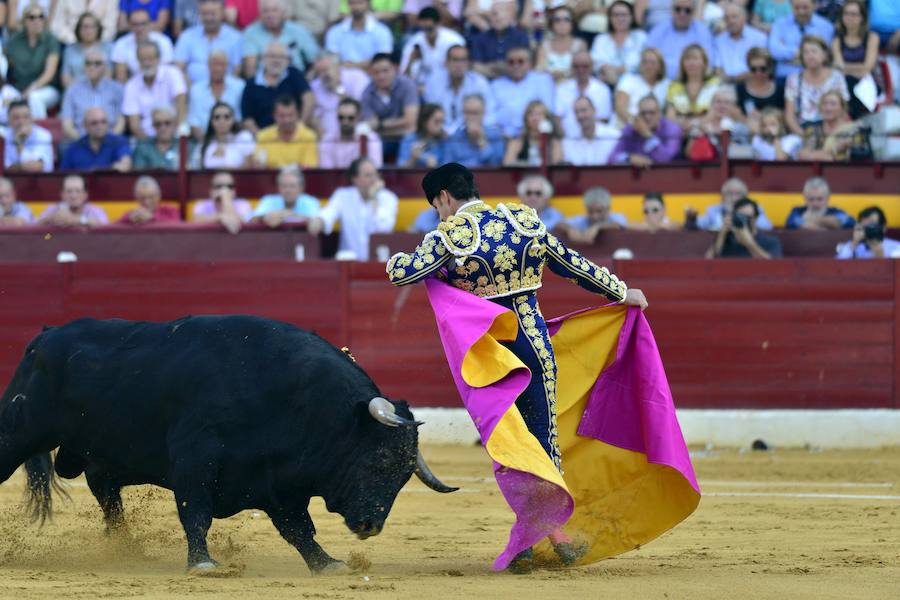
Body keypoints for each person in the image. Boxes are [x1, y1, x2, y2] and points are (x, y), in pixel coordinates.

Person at [385, 163, 648, 572]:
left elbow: (402, 274)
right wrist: (620, 291)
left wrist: (408, 256)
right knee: (543, 441)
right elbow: (571, 265)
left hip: (491, 360)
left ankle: (538, 540)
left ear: (443, 198)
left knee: (512, 446)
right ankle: (550, 536)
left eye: (437, 206)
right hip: (535, 346)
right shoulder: (522, 220)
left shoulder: (450, 235)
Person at [307, 157, 398, 260]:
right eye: (368, 175)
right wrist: (319, 220)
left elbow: (385, 228)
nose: (374, 179)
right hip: (349, 263)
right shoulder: (342, 195)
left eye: (375, 174)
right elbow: (328, 214)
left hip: (378, 263)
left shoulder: (389, 198)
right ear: (355, 179)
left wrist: (373, 199)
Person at [240, 41, 314, 133]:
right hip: (264, 136)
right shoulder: (252, 84)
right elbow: (247, 119)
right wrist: (262, 138)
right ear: (263, 59)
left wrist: (301, 127)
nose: (276, 60)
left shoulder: (294, 74)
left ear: (288, 61)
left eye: (281, 57)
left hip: (295, 132)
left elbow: (308, 98)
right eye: (272, 56)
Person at [422, 44, 495, 135]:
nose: (459, 65)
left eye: (463, 60)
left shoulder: (479, 83)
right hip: (439, 135)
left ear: (468, 63)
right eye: (455, 60)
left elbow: (490, 114)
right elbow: (430, 115)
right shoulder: (433, 82)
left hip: (470, 135)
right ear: (446, 62)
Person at [122, 41, 188, 140]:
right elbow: (134, 125)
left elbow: (182, 108)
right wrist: (152, 146)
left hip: (174, 136)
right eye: (143, 60)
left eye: (150, 59)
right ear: (138, 61)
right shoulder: (131, 85)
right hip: (146, 140)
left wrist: (175, 138)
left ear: (158, 59)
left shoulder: (173, 73)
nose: (147, 63)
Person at [783, 35, 848, 136]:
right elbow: (789, 116)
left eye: (814, 51)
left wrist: (832, 136)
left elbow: (844, 110)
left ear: (824, 55)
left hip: (832, 131)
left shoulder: (837, 77)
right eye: (806, 52)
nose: (810, 56)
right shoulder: (794, 79)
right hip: (804, 130)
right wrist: (803, 135)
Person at [5, 2, 61, 118]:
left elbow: (49, 74)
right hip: (19, 88)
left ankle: (37, 130)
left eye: (41, 17)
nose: (37, 21)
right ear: (24, 21)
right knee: (5, 93)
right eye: (32, 17)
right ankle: (7, 130)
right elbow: (5, 64)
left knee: (34, 97)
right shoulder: (15, 40)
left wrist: (29, 91)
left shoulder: (51, 40)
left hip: (46, 88)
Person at [360, 53, 419, 160]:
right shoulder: (367, 93)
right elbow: (371, 126)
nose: (381, 76)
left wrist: (381, 125)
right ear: (370, 73)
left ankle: (403, 172)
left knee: (409, 137)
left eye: (385, 71)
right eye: (376, 72)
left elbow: (411, 122)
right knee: (369, 142)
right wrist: (401, 125)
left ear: (394, 69)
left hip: (405, 138)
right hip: (382, 139)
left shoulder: (407, 84)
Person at [242, 0, 320, 77]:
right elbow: (250, 68)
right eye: (265, 11)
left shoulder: (298, 31)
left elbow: (316, 60)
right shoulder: (251, 33)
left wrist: (307, 81)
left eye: (274, 10)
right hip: (265, 83)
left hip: (297, 80)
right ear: (260, 14)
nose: (270, 15)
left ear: (283, 13)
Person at [60, 47, 124, 141]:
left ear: (105, 67)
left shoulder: (117, 89)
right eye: (88, 63)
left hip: (110, 140)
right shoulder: (72, 90)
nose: (92, 67)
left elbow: (121, 121)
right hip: (81, 140)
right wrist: (83, 142)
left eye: (97, 63)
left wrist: (110, 140)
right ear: (84, 66)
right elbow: (67, 124)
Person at [491, 46, 555, 139]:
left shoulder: (543, 80)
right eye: (511, 62)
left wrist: (527, 132)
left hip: (536, 136)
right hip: (503, 137)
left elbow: (548, 111)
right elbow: (490, 115)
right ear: (506, 64)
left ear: (530, 64)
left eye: (520, 61)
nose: (516, 66)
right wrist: (502, 133)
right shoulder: (496, 85)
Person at [831, 0, 880, 119]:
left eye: (854, 14)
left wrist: (846, 68)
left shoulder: (872, 37)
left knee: (850, 85)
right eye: (846, 14)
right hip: (845, 82)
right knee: (846, 84)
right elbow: (837, 67)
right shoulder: (837, 40)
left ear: (862, 17)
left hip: (868, 82)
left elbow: (868, 67)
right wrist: (859, 68)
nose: (849, 17)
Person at [174, 0, 242, 83]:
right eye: (205, 14)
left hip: (225, 90)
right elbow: (178, 68)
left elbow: (237, 70)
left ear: (222, 14)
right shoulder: (187, 36)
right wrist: (192, 90)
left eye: (213, 14)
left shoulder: (235, 38)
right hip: (191, 90)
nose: (208, 18)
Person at [399, 6, 465, 91]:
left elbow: (462, 69)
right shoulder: (413, 43)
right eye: (424, 29)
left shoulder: (454, 40)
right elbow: (404, 78)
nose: (427, 33)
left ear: (439, 24)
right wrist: (411, 62)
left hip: (448, 86)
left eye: (430, 28)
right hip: (421, 89)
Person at [645, 0, 714, 81]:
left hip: (691, 82)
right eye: (678, 9)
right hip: (661, 81)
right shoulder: (659, 30)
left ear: (694, 12)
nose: (682, 14)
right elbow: (648, 58)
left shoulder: (703, 32)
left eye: (687, 10)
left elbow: (708, 63)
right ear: (672, 10)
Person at [797, 90, 871, 161]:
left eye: (833, 104)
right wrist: (834, 150)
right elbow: (803, 155)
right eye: (824, 104)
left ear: (842, 108)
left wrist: (819, 156)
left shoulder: (853, 130)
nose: (828, 108)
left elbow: (857, 157)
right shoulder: (813, 129)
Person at [310, 52, 370, 139]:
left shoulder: (357, 77)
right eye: (319, 72)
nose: (323, 75)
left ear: (337, 66)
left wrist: (338, 88)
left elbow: (360, 111)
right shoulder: (315, 86)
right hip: (327, 140)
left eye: (326, 70)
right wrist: (326, 139)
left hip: (355, 137)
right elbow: (314, 118)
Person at [187, 50, 245, 139]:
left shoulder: (240, 87)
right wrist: (208, 145)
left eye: (221, 64)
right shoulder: (196, 89)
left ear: (227, 66)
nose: (218, 68)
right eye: (214, 64)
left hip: (234, 141)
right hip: (203, 141)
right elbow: (194, 123)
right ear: (208, 66)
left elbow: (241, 119)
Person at [768, 0, 834, 79]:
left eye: (805, 8)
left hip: (816, 79)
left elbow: (826, 55)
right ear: (791, 6)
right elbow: (774, 51)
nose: (801, 12)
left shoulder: (826, 26)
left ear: (815, 5)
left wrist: (786, 56)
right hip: (784, 77)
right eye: (797, 8)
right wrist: (807, 53)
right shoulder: (779, 24)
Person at [611, 94, 683, 166]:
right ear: (638, 114)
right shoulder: (630, 129)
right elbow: (612, 158)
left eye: (652, 113)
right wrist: (629, 158)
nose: (647, 117)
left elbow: (666, 159)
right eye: (643, 113)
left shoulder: (672, 129)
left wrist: (647, 135)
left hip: (666, 174)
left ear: (659, 114)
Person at [665, 44, 720, 133]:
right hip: (680, 131)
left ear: (704, 62)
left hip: (707, 129)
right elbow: (670, 116)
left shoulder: (715, 84)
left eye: (695, 59)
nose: (691, 63)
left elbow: (716, 112)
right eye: (687, 59)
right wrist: (681, 124)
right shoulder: (674, 86)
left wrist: (695, 123)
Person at [591, 1, 647, 88]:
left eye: (624, 15)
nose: (620, 18)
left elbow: (641, 63)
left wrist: (615, 71)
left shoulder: (641, 37)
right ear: (610, 18)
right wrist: (610, 71)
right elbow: (596, 63)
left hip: (634, 85)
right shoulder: (601, 39)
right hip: (605, 83)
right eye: (616, 15)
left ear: (632, 17)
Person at [555, 52, 612, 138]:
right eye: (576, 66)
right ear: (571, 68)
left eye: (585, 66)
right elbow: (557, 119)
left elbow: (603, 120)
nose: (580, 70)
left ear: (592, 67)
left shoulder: (603, 90)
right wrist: (565, 142)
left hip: (594, 140)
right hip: (568, 140)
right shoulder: (561, 89)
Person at [324, 0, 393, 70]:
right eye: (352, 3)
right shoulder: (335, 31)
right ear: (348, 5)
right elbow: (332, 59)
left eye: (360, 3)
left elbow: (382, 59)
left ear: (368, 4)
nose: (356, 7)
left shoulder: (382, 31)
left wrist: (353, 66)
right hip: (341, 75)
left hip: (372, 75)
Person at [469, 1, 530, 80]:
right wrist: (501, 69)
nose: (498, 17)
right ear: (489, 17)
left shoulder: (521, 37)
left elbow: (522, 65)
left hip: (515, 81)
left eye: (503, 13)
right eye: (494, 14)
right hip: (487, 81)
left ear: (512, 16)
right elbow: (476, 66)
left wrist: (497, 67)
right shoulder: (479, 39)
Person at [254, 93, 318, 167]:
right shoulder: (264, 136)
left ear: (297, 114)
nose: (287, 120)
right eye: (282, 116)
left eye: (290, 115)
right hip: (270, 178)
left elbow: (310, 168)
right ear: (274, 115)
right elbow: (259, 167)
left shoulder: (309, 136)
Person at [441, 94, 504, 168]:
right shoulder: (454, 139)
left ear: (483, 113)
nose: (471, 117)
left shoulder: (496, 136)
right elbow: (446, 168)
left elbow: (497, 167)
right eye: (467, 113)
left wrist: (483, 143)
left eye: (475, 113)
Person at [706, 197, 783, 259]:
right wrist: (722, 234)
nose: (744, 220)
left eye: (747, 217)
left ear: (755, 218)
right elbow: (709, 262)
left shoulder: (770, 242)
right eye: (740, 217)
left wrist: (750, 244)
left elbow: (773, 266)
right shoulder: (727, 240)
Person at [111, 9, 175, 82]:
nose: (139, 28)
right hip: (133, 87)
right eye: (135, 24)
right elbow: (121, 78)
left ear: (150, 24)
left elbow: (167, 73)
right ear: (129, 25)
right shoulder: (121, 43)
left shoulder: (164, 41)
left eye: (143, 24)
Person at [60, 106, 132, 170]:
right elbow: (64, 176)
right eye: (94, 123)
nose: (100, 126)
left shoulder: (119, 142)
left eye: (103, 122)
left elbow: (126, 165)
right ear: (85, 125)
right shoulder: (73, 148)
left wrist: (99, 171)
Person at [319, 97, 383, 169]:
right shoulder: (327, 140)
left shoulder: (370, 139)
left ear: (358, 117)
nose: (345, 122)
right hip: (334, 179)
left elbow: (374, 169)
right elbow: (327, 171)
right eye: (341, 118)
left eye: (350, 118)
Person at [613, 47, 670, 126]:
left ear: (661, 67)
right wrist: (637, 125)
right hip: (627, 127)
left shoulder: (667, 85)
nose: (648, 66)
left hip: (656, 130)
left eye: (652, 63)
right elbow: (620, 108)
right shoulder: (628, 80)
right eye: (644, 62)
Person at [250, 165, 320, 228]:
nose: (288, 190)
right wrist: (264, 218)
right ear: (278, 187)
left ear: (301, 188)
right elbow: (251, 220)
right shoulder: (268, 201)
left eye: (292, 186)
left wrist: (288, 215)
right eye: (284, 186)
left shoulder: (311, 202)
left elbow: (317, 222)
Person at [713, 2, 767, 82]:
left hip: (752, 83)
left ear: (745, 18)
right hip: (725, 85)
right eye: (727, 18)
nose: (730, 21)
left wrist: (735, 79)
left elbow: (761, 68)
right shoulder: (718, 40)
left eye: (734, 17)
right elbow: (717, 68)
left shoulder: (759, 38)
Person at [60, 11, 114, 89]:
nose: (88, 31)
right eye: (85, 27)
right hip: (75, 92)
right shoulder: (69, 51)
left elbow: (108, 75)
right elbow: (65, 77)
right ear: (78, 29)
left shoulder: (108, 48)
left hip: (101, 93)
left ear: (98, 29)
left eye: (92, 27)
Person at [557, 186, 628, 244]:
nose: (595, 216)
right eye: (590, 211)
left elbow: (620, 225)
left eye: (599, 211)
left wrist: (597, 227)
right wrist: (570, 229)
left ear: (608, 208)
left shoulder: (617, 217)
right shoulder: (582, 219)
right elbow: (559, 224)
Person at [562, 96, 621, 166]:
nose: (580, 115)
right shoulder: (569, 141)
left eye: (583, 110)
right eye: (576, 112)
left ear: (594, 110)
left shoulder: (614, 136)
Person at [535, 4, 587, 83]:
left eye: (566, 19)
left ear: (572, 23)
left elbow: (582, 70)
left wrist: (562, 75)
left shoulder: (580, 44)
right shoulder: (544, 45)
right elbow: (539, 70)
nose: (562, 23)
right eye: (557, 20)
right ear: (551, 24)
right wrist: (551, 75)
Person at [196, 101, 255, 169]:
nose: (222, 121)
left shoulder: (244, 137)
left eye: (226, 117)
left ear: (233, 120)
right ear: (211, 121)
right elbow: (198, 169)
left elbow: (250, 167)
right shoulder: (204, 143)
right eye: (217, 117)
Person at [503, 100, 562, 167]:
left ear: (547, 119)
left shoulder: (554, 143)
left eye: (539, 114)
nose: (535, 118)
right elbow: (507, 167)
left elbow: (557, 168)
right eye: (531, 114)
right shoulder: (516, 143)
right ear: (526, 119)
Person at [736, 47, 784, 126]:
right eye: (753, 69)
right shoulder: (739, 88)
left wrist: (763, 117)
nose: (758, 73)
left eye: (763, 69)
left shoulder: (779, 88)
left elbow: (784, 115)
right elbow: (736, 115)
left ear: (770, 68)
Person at [784, 176, 854, 230]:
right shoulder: (797, 211)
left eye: (819, 199)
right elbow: (790, 223)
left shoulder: (836, 211)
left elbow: (851, 222)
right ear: (805, 198)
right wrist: (825, 225)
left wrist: (809, 221)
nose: (815, 203)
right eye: (811, 199)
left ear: (827, 198)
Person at [37, 174, 109, 227]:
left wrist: (77, 220)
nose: (73, 196)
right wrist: (51, 218)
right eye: (69, 191)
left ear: (85, 194)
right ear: (62, 194)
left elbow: (105, 230)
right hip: (56, 244)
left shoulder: (96, 210)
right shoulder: (53, 209)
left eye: (78, 191)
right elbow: (42, 235)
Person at [3, 100, 54, 172]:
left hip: (38, 180)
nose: (21, 122)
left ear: (32, 118)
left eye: (26, 117)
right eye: (16, 118)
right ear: (8, 120)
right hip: (8, 181)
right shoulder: (3, 136)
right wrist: (22, 167)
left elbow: (36, 168)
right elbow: (4, 168)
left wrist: (19, 144)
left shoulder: (43, 135)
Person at [836, 206, 900, 259]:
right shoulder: (853, 246)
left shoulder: (896, 247)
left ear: (883, 227)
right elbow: (837, 267)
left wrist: (881, 257)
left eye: (872, 225)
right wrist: (854, 243)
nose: (868, 229)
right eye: (864, 226)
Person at [397, 103, 445, 168]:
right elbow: (400, 170)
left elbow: (448, 170)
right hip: (413, 177)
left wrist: (435, 168)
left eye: (442, 122)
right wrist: (413, 159)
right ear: (424, 121)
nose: (440, 126)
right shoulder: (409, 139)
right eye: (436, 122)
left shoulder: (444, 140)